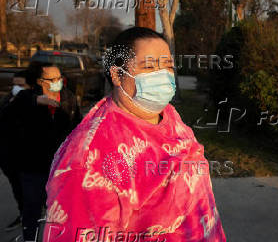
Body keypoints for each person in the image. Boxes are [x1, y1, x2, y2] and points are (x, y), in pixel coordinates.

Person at [43, 27, 226, 242]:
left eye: (168, 65)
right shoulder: (89, 160)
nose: (163, 75)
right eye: (149, 66)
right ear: (117, 75)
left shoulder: (168, 114)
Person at [0, 61, 81, 241]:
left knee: (64, 210)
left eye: (59, 77)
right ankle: (30, 237)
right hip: (33, 167)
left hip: (62, 167)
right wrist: (35, 101)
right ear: (40, 81)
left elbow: (77, 126)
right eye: (52, 79)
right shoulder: (26, 97)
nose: (57, 81)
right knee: (32, 209)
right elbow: (7, 116)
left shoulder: (68, 97)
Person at [0, 70, 31, 231]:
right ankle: (23, 215)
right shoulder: (8, 100)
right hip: (9, 156)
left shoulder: (36, 103)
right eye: (14, 85)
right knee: (18, 190)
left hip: (29, 158)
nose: (16, 88)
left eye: (20, 85)